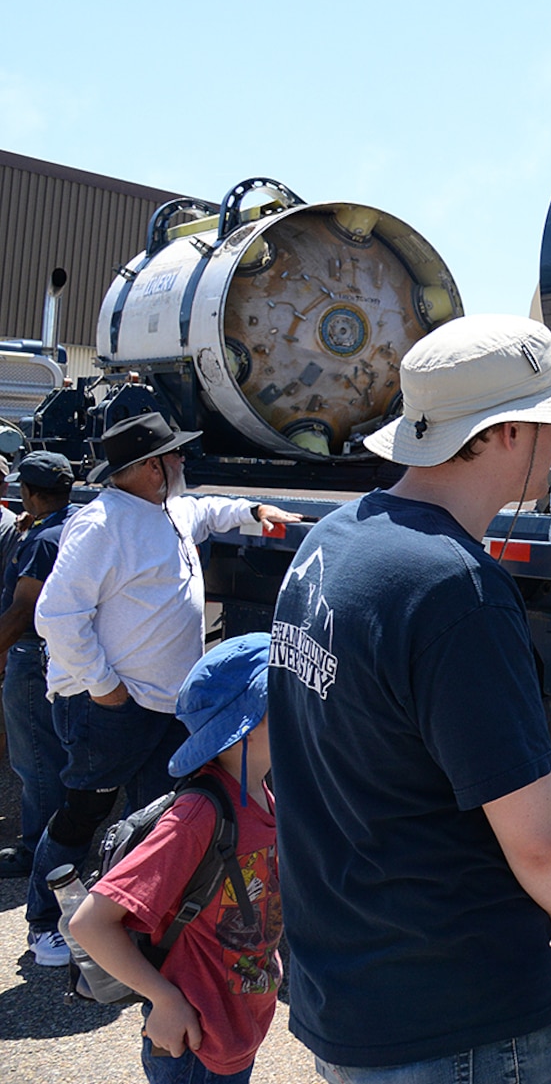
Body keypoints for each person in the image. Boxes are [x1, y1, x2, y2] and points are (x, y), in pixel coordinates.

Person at [266, 314, 551, 1082]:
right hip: (455, 1018)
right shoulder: (457, 589)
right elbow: (542, 845)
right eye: (550, 421)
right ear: (501, 434)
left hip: (353, 994)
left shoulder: (332, 543)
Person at [26, 414, 301, 968]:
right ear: (152, 466)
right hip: (111, 706)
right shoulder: (102, 525)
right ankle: (44, 925)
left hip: (160, 703)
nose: (182, 464)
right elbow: (56, 614)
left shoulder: (168, 508)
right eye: (174, 457)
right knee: (86, 810)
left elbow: (204, 510)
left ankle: (130, 925)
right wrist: (104, 687)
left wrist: (252, 510)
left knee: (153, 818)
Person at [67, 633, 284, 1084]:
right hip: (194, 1045)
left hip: (236, 1026)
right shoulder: (199, 814)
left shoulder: (261, 792)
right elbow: (89, 922)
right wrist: (164, 1000)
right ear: (252, 722)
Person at [0, 451, 77, 878]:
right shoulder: (74, 525)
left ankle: (39, 854)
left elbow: (20, 613)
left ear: (27, 493)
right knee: (55, 756)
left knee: (35, 763)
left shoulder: (42, 541)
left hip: (30, 660)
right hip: (59, 657)